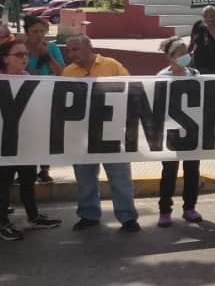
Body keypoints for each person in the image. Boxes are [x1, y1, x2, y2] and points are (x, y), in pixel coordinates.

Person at [63, 35, 140, 232]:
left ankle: (128, 218)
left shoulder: (112, 65)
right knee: (85, 177)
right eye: (68, 50)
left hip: (112, 131)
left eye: (75, 49)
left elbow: (131, 89)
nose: (70, 54)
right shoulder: (67, 72)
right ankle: (88, 215)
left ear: (89, 47)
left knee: (120, 176)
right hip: (81, 135)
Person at [0, 39, 62, 241]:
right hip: (4, 144)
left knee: (28, 180)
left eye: (26, 54)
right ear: (5, 58)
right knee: (3, 184)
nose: (24, 58)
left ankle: (33, 216)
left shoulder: (27, 78)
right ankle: (2, 224)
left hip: (25, 142)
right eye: (18, 55)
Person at [156, 36, 202, 226]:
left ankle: (189, 208)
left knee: (192, 170)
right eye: (180, 53)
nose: (186, 56)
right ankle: (165, 210)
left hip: (192, 132)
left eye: (187, 52)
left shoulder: (195, 74)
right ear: (170, 57)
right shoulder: (161, 77)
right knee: (169, 171)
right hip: (170, 133)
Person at [24, 15, 63, 183]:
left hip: (46, 97)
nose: (39, 35)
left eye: (42, 31)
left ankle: (45, 169)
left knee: (45, 134)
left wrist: (47, 55)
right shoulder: (20, 49)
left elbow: (61, 72)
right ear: (27, 33)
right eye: (34, 31)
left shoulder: (52, 48)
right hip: (24, 98)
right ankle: (26, 170)